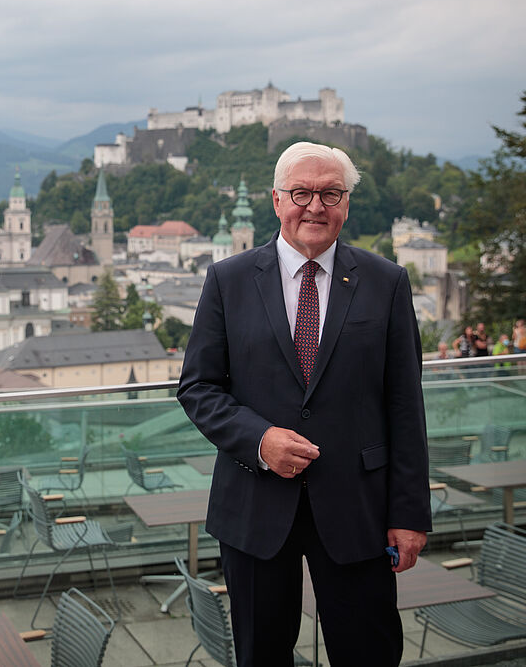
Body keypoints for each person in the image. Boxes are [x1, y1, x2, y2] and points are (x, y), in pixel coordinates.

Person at [178, 141, 430, 666]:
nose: (315, 206)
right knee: (262, 655)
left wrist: (410, 514)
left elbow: (405, 406)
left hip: (358, 509)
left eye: (330, 193)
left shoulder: (386, 282)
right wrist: (259, 439)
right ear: (276, 200)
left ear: (345, 204)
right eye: (301, 193)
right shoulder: (227, 280)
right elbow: (198, 387)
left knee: (369, 653)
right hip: (255, 504)